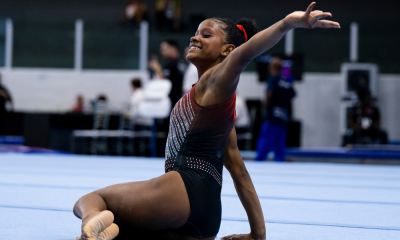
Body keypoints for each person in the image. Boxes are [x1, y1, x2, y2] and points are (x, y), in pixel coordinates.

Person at [73, 3, 339, 240]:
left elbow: (245, 54)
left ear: (227, 50)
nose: (195, 36)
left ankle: (91, 223)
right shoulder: (222, 111)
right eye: (196, 32)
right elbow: (240, 173)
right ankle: (108, 229)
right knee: (129, 226)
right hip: (207, 216)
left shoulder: (214, 81)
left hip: (181, 189)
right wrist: (258, 235)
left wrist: (287, 23)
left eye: (206, 34)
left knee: (91, 200)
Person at [255, 57, 296, 162]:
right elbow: (292, 94)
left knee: (266, 141)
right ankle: (279, 162)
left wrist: (265, 105)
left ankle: (259, 161)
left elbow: (269, 93)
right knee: (280, 144)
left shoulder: (273, 79)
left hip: (272, 115)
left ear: (271, 67)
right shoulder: (287, 81)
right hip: (283, 116)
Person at [149, 39, 186, 108]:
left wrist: (156, 67)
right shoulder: (181, 62)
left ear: (173, 48)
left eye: (164, 48)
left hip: (171, 100)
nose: (161, 51)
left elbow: (164, 79)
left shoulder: (172, 63)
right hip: (179, 98)